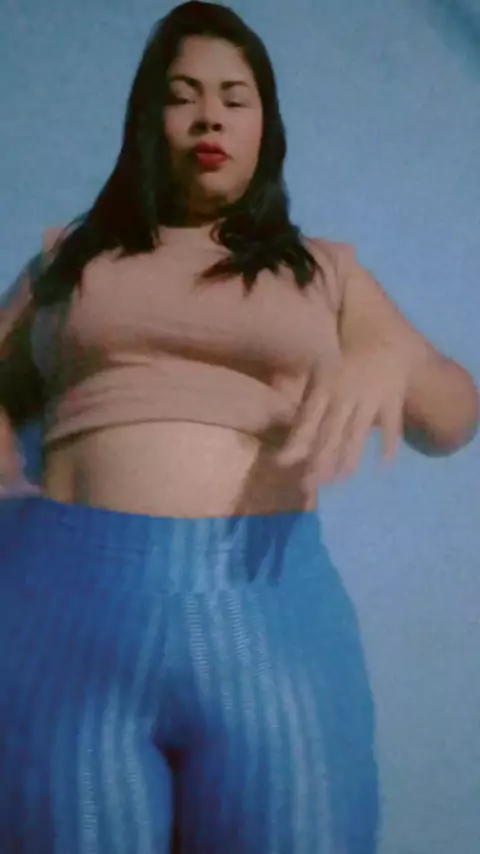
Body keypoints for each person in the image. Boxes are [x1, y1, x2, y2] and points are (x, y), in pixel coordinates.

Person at [0, 2, 478, 853]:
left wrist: (390, 359)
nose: (209, 116)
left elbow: (452, 419)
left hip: (271, 614)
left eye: (234, 96)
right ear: (147, 123)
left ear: (266, 127)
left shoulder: (324, 271)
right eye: (182, 95)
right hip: (64, 605)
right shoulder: (69, 258)